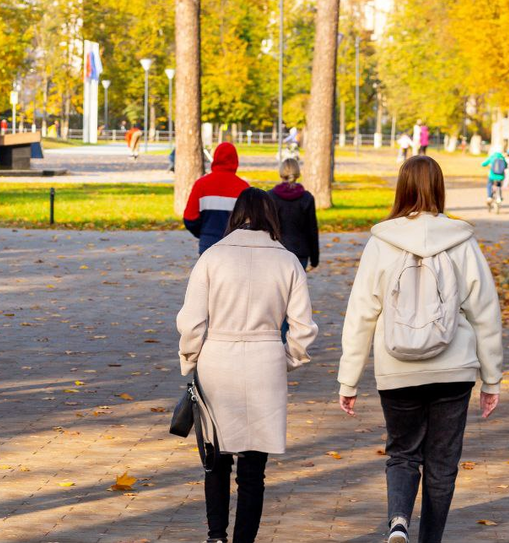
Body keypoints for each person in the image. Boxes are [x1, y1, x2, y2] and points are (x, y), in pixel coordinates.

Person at [337, 156, 503, 543]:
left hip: (397, 370)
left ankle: (398, 521)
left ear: (402, 187)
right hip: (454, 369)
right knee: (443, 464)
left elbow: (361, 313)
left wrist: (349, 379)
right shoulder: (463, 241)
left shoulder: (381, 242)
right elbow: (485, 312)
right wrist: (491, 378)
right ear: (440, 187)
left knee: (402, 453)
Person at [177, 188, 318, 543]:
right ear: (272, 215)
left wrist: (190, 359)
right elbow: (302, 329)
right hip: (264, 362)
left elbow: (192, 321)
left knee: (216, 460)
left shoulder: (212, 256)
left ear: (236, 215)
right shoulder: (287, 261)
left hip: (217, 360)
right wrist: (287, 359)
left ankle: (215, 535)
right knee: (253, 470)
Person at [182, 142, 249, 254]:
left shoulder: (201, 184)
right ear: (235, 160)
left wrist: (203, 233)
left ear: (215, 159)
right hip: (236, 246)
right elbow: (250, 221)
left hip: (208, 244)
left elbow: (189, 218)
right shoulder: (243, 187)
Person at [268, 158, 319, 271]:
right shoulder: (306, 198)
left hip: (276, 250)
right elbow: (312, 230)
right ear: (297, 174)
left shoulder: (270, 197)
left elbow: (265, 227)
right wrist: (314, 259)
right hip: (300, 252)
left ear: (281, 173)